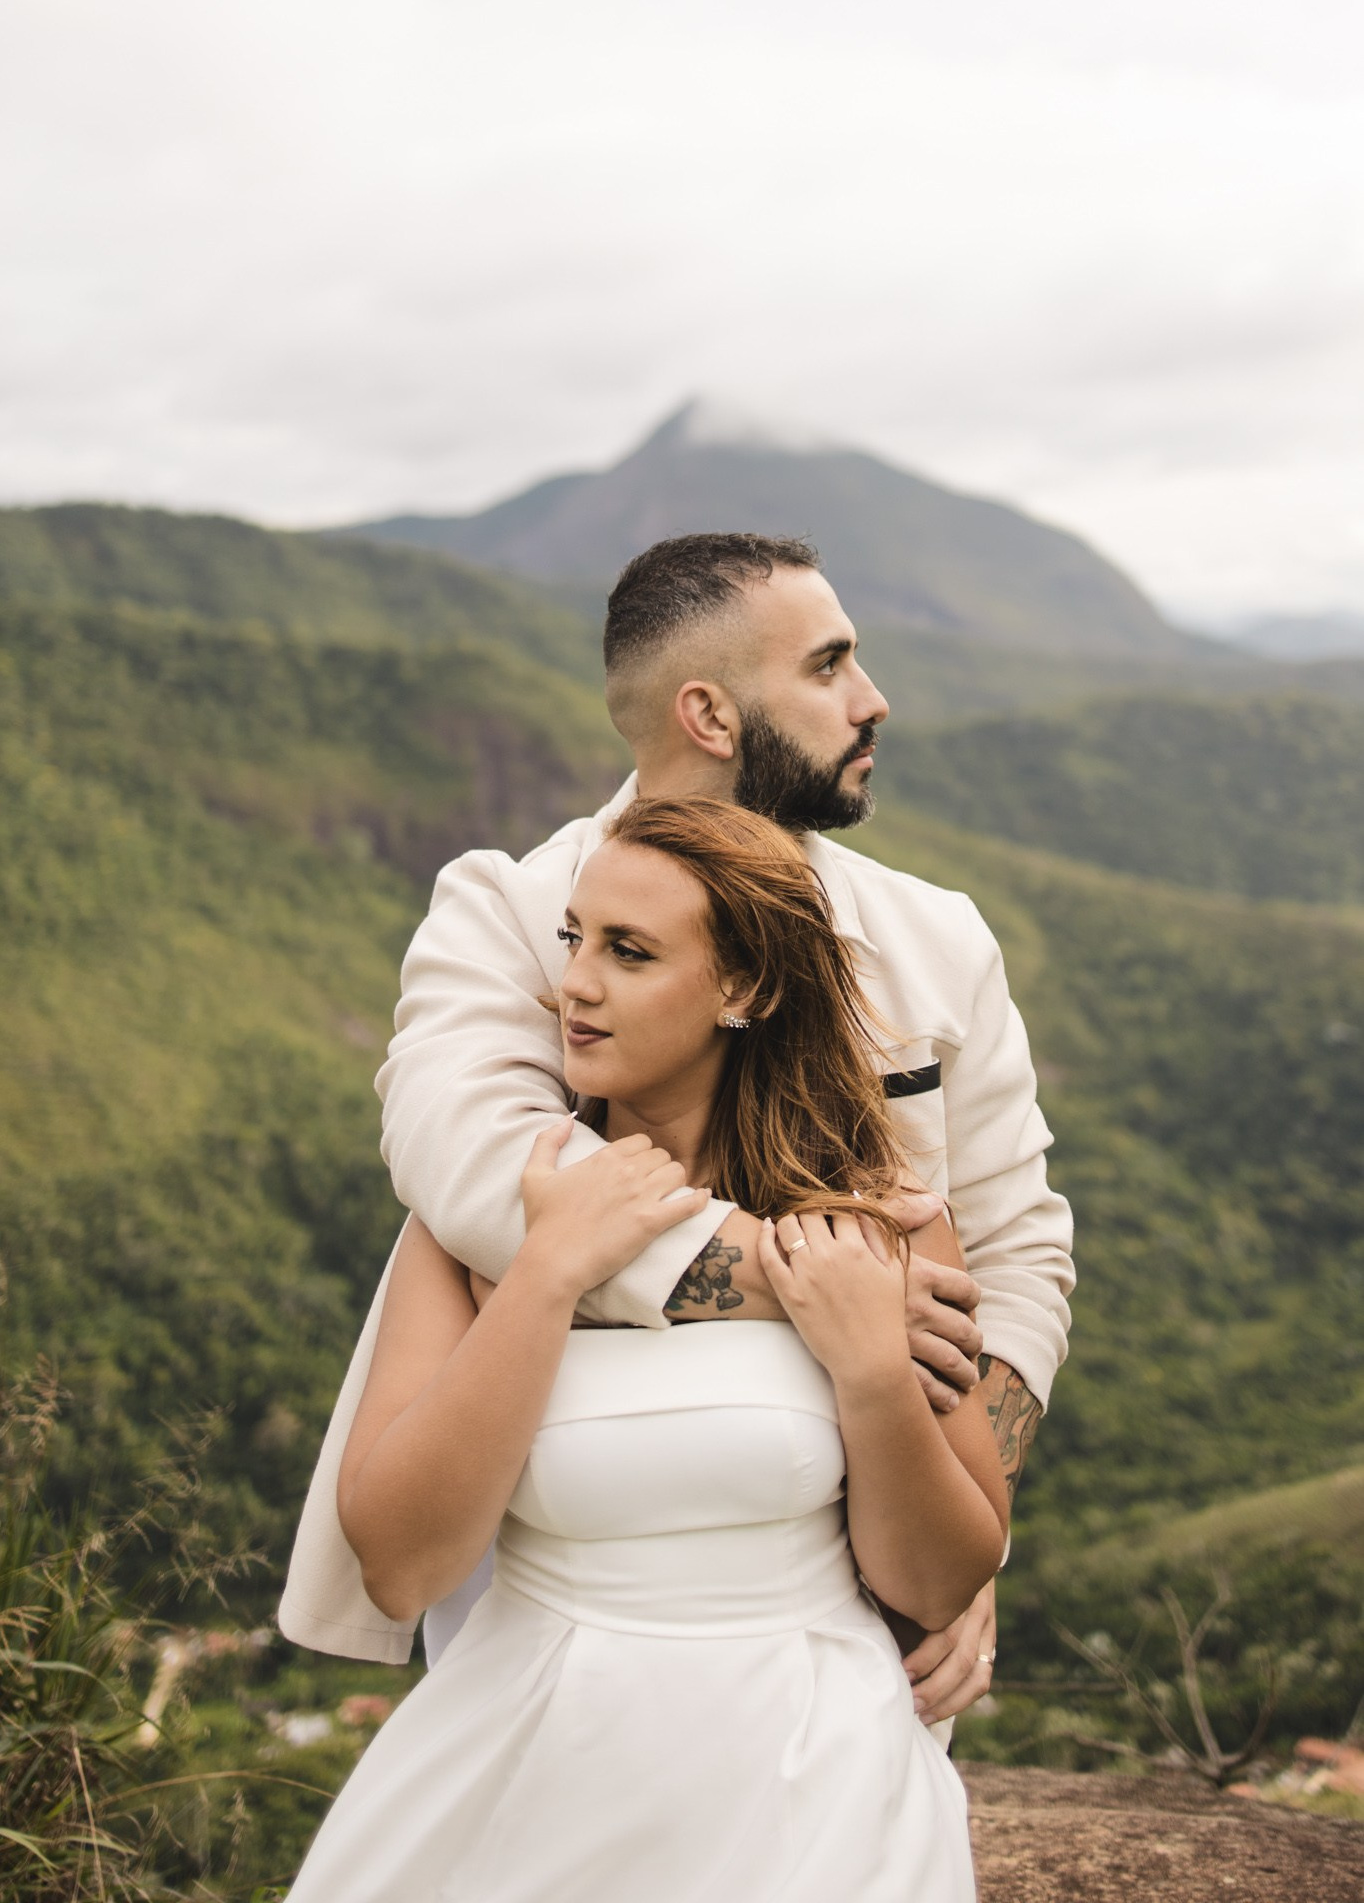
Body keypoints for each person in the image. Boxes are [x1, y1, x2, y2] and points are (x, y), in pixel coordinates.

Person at [280, 532, 1075, 1731]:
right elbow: (478, 1164)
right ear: (708, 712)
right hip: (542, 1591)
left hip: (841, 1603)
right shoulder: (507, 907)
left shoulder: (938, 939)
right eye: (828, 666)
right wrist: (810, 1277)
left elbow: (1016, 1253)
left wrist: (964, 1536)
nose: (872, 701)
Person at [286, 798, 1009, 1903]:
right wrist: (543, 1275)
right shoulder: (483, 1218)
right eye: (574, 937)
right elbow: (401, 1564)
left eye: (628, 951)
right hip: (526, 1762)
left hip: (811, 1779)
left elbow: (941, 1574)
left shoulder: (881, 1219)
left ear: (746, 988)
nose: (573, 981)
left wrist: (870, 1373)